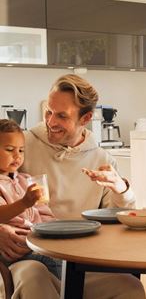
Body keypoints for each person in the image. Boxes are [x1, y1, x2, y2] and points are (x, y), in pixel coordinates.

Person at [0, 74, 145, 299]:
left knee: (129, 287)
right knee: (34, 277)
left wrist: (122, 190)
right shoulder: (21, 145)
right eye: (48, 111)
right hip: (27, 258)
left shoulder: (102, 160)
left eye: (61, 116)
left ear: (85, 118)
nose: (50, 121)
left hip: (78, 260)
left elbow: (122, 220)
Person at [0, 119, 61, 279]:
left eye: (21, 150)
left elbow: (44, 214)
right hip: (14, 250)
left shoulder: (25, 180)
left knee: (63, 256)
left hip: (35, 243)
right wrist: (24, 203)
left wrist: (58, 231)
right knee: (56, 262)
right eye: (9, 149)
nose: (17, 156)